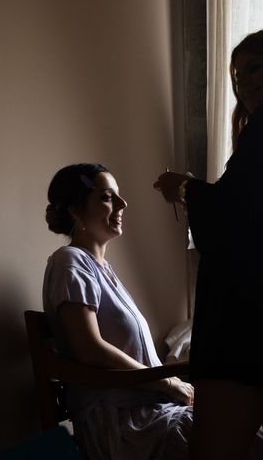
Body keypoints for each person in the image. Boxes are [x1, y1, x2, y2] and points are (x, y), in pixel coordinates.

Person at [154, 29, 263, 460]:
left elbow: (238, 219)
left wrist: (186, 188)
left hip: (243, 331)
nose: (244, 84)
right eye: (237, 78)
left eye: (254, 68)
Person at [43, 163, 194, 460]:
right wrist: (168, 382)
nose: (123, 204)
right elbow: (89, 348)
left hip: (149, 409)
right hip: (125, 423)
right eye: (107, 197)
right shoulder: (70, 261)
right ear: (75, 210)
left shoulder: (103, 270)